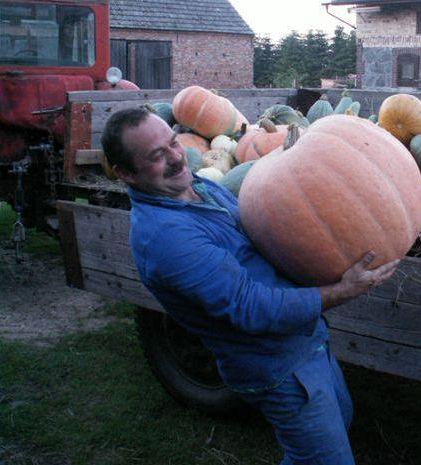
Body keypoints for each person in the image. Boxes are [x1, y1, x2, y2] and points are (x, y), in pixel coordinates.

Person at [101, 107, 400, 465]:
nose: (177, 158)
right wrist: (341, 291)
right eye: (156, 156)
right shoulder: (167, 238)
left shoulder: (196, 187)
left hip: (305, 342)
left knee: (332, 431)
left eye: (172, 143)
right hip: (277, 366)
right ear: (125, 173)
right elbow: (250, 308)